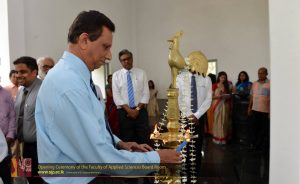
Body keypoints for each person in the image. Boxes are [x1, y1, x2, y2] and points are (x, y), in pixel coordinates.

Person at [35, 10, 181, 184]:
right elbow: (99, 157)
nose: (110, 55)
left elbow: (92, 127)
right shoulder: (69, 85)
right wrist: (157, 158)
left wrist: (118, 143)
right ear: (84, 41)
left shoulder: (75, 78)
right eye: (106, 47)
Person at [176, 51, 212, 181]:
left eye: (196, 62)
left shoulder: (205, 79)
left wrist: (196, 115)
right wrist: (189, 115)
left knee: (196, 147)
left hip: (199, 118)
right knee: (184, 145)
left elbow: (208, 99)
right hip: (185, 118)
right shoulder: (180, 78)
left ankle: (195, 174)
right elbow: (179, 99)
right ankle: (183, 172)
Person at [14, 56, 43, 184]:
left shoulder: (43, 90)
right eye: (17, 72)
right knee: (24, 179)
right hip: (20, 146)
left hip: (38, 149)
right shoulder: (21, 90)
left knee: (37, 180)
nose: (18, 75)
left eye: (23, 72)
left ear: (34, 72)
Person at [112, 49, 151, 145]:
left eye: (128, 58)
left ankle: (147, 159)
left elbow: (146, 93)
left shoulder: (142, 73)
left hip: (140, 112)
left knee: (144, 138)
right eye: (123, 60)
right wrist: (129, 110)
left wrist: (137, 110)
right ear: (120, 62)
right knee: (128, 139)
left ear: (132, 58)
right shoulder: (116, 75)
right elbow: (117, 96)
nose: (126, 61)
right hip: (124, 113)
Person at [248, 67, 270, 182]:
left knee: (264, 130)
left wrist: (271, 112)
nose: (260, 74)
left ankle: (262, 147)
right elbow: (252, 96)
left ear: (266, 73)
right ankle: (255, 145)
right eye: (258, 73)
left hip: (265, 111)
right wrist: (249, 107)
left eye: (262, 73)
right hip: (255, 109)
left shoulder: (270, 84)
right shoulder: (255, 84)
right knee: (254, 129)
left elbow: (272, 98)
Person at [211, 71, 233, 144]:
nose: (223, 79)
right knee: (217, 121)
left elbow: (230, 95)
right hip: (217, 105)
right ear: (219, 77)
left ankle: (224, 138)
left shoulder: (227, 85)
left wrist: (228, 96)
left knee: (224, 121)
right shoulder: (214, 85)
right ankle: (217, 137)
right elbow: (211, 97)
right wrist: (218, 96)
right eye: (221, 77)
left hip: (225, 105)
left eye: (224, 77)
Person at [0, 86, 15, 184]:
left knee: (10, 172)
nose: (18, 76)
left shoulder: (7, 93)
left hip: (9, 140)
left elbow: (13, 116)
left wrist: (10, 134)